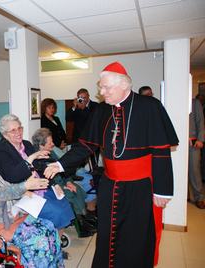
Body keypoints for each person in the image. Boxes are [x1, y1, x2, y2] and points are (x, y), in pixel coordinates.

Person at [44, 61, 179, 268]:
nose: (101, 91)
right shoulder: (102, 111)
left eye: (106, 87)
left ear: (124, 85)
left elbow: (161, 152)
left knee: (136, 236)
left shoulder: (149, 106)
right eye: (101, 86)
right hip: (110, 185)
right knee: (108, 234)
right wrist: (60, 164)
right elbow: (85, 145)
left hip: (140, 186)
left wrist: (163, 190)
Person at [0, 138, 64, 267]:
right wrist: (25, 186)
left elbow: (4, 187)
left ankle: (51, 262)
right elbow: (2, 193)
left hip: (7, 218)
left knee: (48, 225)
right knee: (39, 237)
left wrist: (23, 191)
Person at [0, 114, 74, 229]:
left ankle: (56, 242)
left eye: (19, 128)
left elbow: (39, 167)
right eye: (13, 130)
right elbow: (13, 176)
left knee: (64, 202)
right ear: (5, 134)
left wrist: (54, 184)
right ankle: (50, 242)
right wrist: (31, 158)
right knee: (56, 212)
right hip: (22, 192)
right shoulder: (1, 150)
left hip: (39, 187)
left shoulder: (26, 144)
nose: (18, 132)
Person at [31, 128, 97, 237]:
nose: (53, 144)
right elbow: (47, 179)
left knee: (77, 189)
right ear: (41, 145)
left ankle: (83, 218)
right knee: (70, 195)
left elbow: (63, 169)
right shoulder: (37, 158)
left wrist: (68, 182)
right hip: (51, 186)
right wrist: (62, 186)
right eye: (50, 143)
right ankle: (80, 225)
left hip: (62, 182)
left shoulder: (51, 153)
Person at [188, 98, 205, 209]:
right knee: (180, 171)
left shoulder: (195, 102)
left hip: (194, 143)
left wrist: (200, 139)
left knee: (194, 171)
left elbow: (200, 121)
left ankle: (199, 198)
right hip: (179, 143)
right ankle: (185, 196)